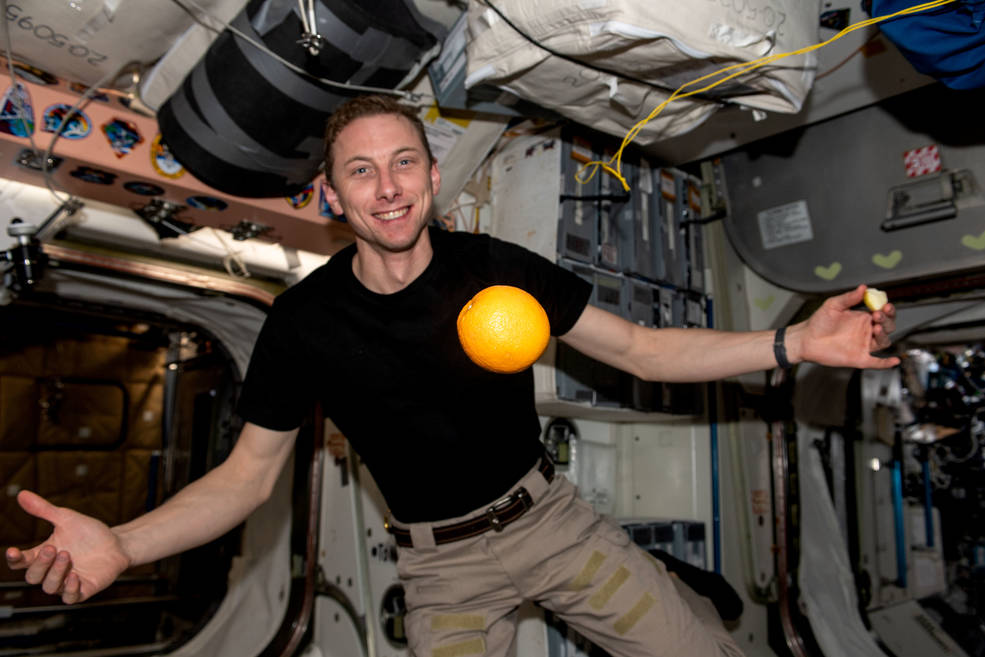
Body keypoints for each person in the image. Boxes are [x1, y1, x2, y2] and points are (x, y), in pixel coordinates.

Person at [5, 94, 898, 657]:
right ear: (332, 197)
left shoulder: (497, 267)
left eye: (403, 163)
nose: (386, 187)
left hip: (553, 524)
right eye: (361, 171)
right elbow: (247, 476)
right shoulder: (301, 324)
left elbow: (643, 349)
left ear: (432, 177)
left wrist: (792, 346)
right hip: (442, 570)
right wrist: (126, 544)